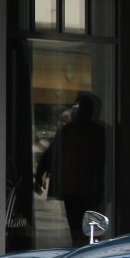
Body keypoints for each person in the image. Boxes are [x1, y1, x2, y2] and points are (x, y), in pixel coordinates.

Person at [34, 91, 108, 243]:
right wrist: (39, 174)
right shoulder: (68, 131)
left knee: (87, 224)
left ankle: (85, 244)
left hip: (86, 187)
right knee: (75, 223)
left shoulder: (96, 132)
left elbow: (99, 161)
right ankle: (79, 244)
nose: (81, 112)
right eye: (80, 108)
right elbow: (50, 153)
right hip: (73, 187)